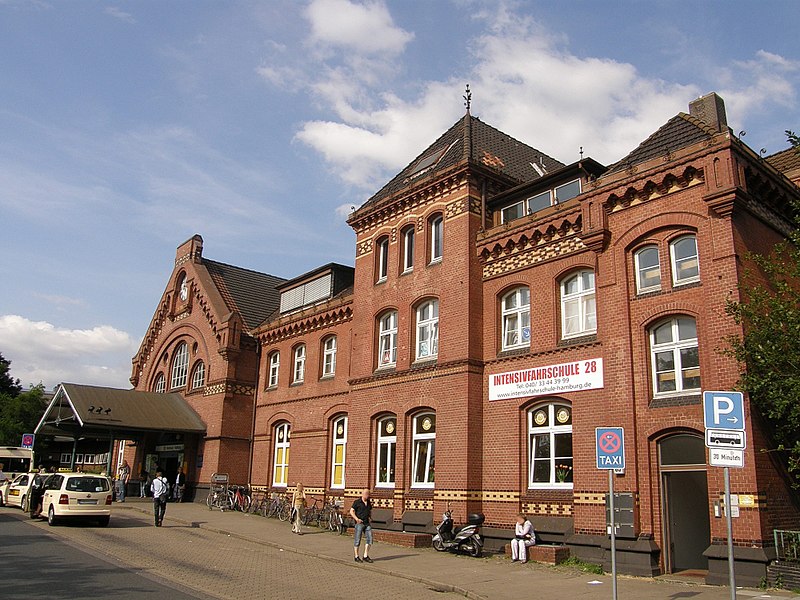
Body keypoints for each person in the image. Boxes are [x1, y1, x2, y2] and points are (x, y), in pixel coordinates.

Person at [350, 488, 373, 563]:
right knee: (357, 540)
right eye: (366, 494)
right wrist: (356, 519)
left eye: (368, 494)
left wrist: (370, 517)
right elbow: (351, 511)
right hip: (359, 523)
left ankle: (365, 555)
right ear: (362, 494)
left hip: (367, 523)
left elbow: (370, 511)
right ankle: (356, 556)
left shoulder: (368, 502)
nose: (367, 495)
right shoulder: (357, 502)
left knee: (369, 539)